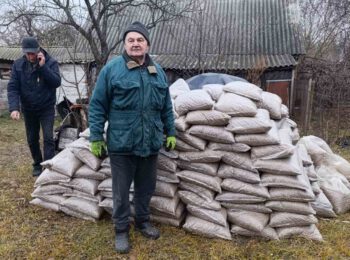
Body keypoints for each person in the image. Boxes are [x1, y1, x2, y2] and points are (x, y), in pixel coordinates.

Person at [88, 21, 176, 254]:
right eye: (131, 40)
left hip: (150, 142)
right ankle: (120, 230)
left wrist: (171, 131)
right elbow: (97, 105)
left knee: (146, 187)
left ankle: (142, 222)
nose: (135, 44)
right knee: (120, 191)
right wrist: (96, 136)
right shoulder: (112, 69)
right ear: (125, 44)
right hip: (122, 143)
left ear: (147, 44)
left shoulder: (158, 71)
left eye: (140, 40)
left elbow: (166, 106)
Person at [7, 37, 61, 177]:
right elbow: (13, 87)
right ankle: (37, 163)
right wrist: (14, 108)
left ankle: (48, 166)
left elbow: (56, 82)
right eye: (28, 53)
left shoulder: (51, 62)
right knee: (32, 139)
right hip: (29, 108)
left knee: (48, 138)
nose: (30, 56)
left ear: (38, 50)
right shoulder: (18, 65)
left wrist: (43, 67)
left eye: (32, 53)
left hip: (46, 108)